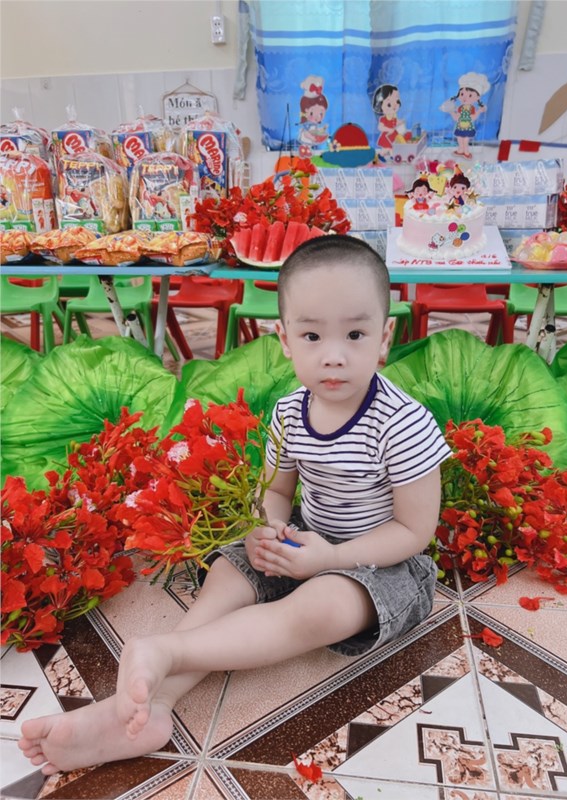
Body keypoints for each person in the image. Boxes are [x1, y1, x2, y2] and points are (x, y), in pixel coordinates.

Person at [19, 235, 451, 775]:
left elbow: (414, 531)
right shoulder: (291, 412)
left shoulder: (402, 423)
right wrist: (270, 529)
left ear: (384, 337)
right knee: (230, 570)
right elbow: (277, 492)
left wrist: (331, 559)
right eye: (312, 335)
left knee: (319, 607)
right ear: (285, 339)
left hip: (383, 566)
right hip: (308, 539)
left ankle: (169, 653)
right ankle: (151, 705)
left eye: (355, 334)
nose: (333, 355)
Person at [440, 72, 490, 159]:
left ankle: (466, 151)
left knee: (466, 139)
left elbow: (472, 118)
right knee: (459, 137)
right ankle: (460, 150)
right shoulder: (460, 108)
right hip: (460, 126)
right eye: (462, 94)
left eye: (470, 95)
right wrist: (451, 111)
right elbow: (457, 118)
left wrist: (478, 111)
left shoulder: (472, 109)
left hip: (468, 127)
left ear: (477, 97)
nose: (464, 97)